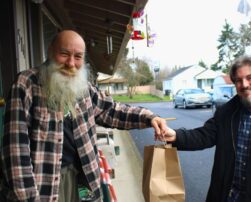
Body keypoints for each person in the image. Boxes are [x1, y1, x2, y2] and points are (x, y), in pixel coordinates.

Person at [0, 30, 167, 202]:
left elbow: (111, 110)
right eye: (64, 54)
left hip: (83, 180)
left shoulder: (83, 88)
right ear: (50, 52)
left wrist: (149, 117)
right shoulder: (26, 84)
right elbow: (16, 152)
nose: (71, 63)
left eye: (78, 56)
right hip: (44, 186)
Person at [162, 56, 251, 201]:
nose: (244, 84)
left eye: (250, 78)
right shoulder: (226, 112)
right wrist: (175, 135)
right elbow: (204, 135)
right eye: (238, 80)